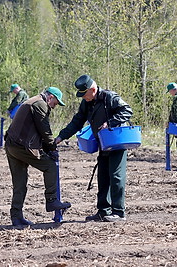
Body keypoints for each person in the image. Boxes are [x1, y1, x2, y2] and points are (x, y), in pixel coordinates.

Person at [55, 74, 133, 222]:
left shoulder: (110, 97)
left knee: (116, 177)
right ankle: (103, 211)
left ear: (93, 89)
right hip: (103, 144)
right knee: (102, 176)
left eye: (85, 94)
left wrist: (110, 122)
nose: (84, 98)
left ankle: (118, 212)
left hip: (116, 142)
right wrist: (61, 137)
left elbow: (127, 111)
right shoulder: (87, 103)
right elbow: (77, 121)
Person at [5, 87, 71, 226]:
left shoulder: (32, 101)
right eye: (56, 102)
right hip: (22, 146)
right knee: (50, 166)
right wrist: (52, 149)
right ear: (50, 97)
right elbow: (44, 130)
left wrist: (48, 148)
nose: (55, 106)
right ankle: (52, 200)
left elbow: (39, 130)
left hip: (12, 145)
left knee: (20, 184)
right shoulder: (40, 104)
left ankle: (16, 217)